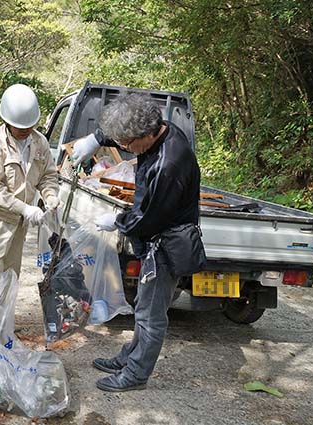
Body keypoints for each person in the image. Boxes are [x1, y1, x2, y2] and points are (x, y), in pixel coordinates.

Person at [71, 93, 201, 392]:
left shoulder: (169, 164)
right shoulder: (158, 129)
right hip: (157, 232)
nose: (125, 150)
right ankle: (129, 357)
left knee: (151, 315)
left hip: (167, 242)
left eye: (128, 145)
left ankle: (136, 374)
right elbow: (125, 130)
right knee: (144, 304)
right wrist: (95, 139)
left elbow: (148, 219)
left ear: (146, 135)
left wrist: (116, 221)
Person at [0, 84, 60, 322]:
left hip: (18, 226)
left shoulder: (39, 143)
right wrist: (26, 208)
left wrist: (50, 196)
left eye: (29, 126)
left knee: (9, 281)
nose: (24, 131)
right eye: (19, 127)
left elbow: (48, 175)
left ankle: (1, 334)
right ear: (7, 121)